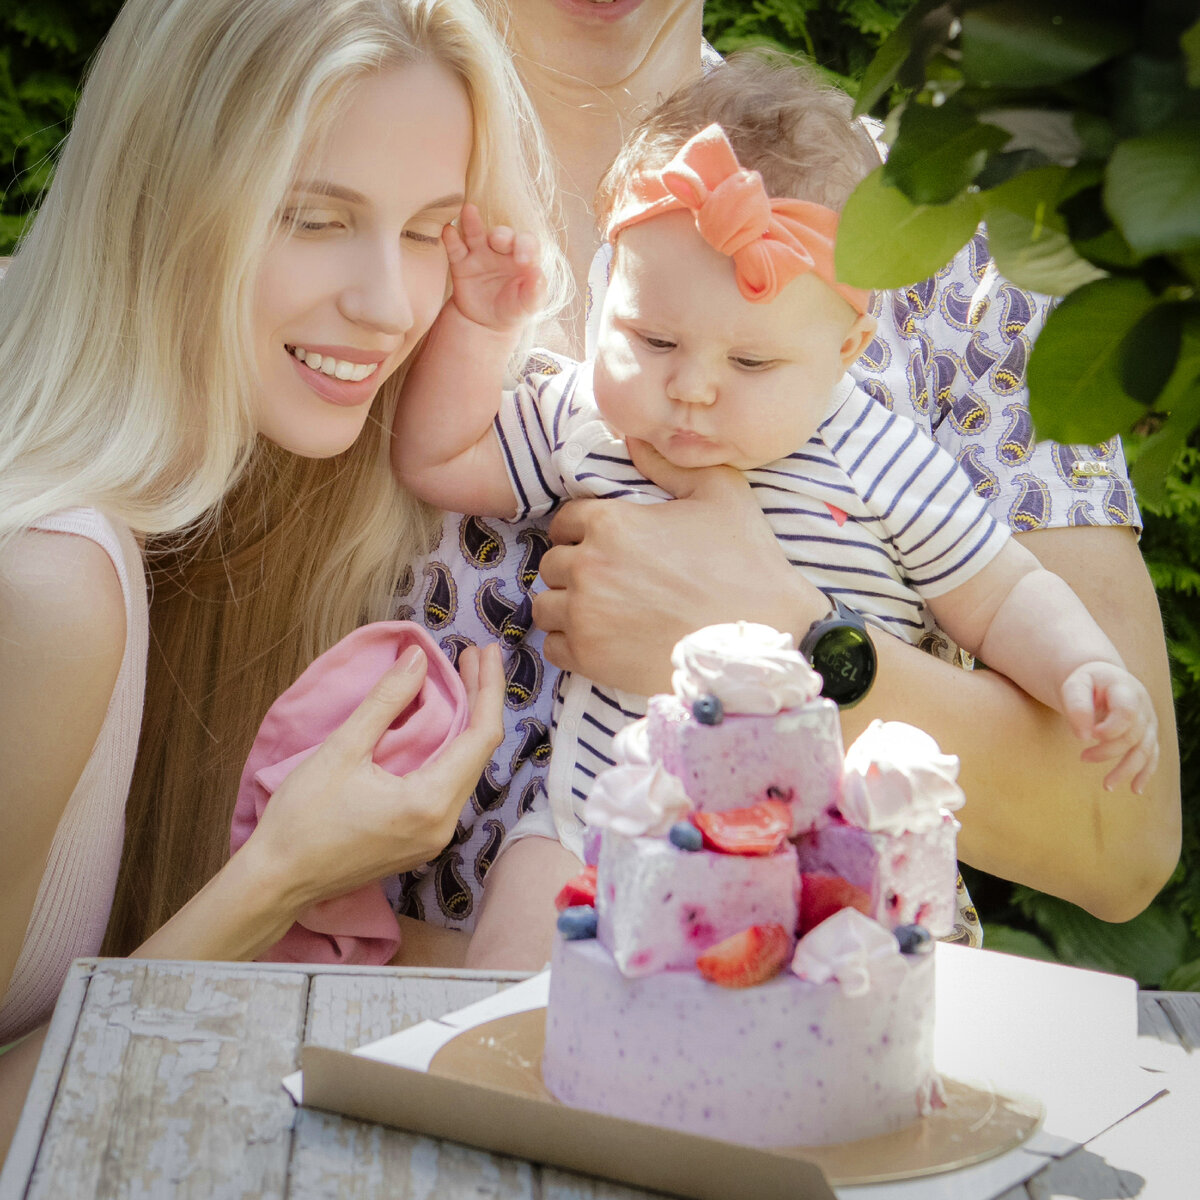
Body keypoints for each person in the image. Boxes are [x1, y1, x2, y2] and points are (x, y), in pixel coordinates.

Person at [386, 0, 1179, 969]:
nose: (693, 387)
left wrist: (788, 641)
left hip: (822, 940)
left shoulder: (935, 237)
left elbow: (1120, 827)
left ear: (846, 343)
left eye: (756, 363)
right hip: (514, 953)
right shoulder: (349, 181)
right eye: (652, 340)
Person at [0, 0, 567, 1151]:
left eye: (428, 233)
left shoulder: (213, 495)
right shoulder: (52, 590)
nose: (390, 305)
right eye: (315, 218)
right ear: (160, 198)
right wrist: (282, 874)